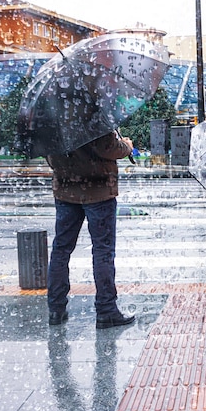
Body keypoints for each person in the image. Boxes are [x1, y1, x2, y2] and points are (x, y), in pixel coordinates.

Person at [46, 131, 136, 329]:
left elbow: (50, 156)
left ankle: (55, 308)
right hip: (99, 191)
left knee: (61, 249)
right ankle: (106, 310)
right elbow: (109, 148)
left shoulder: (53, 117)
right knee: (102, 251)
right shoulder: (92, 114)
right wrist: (127, 145)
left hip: (65, 190)